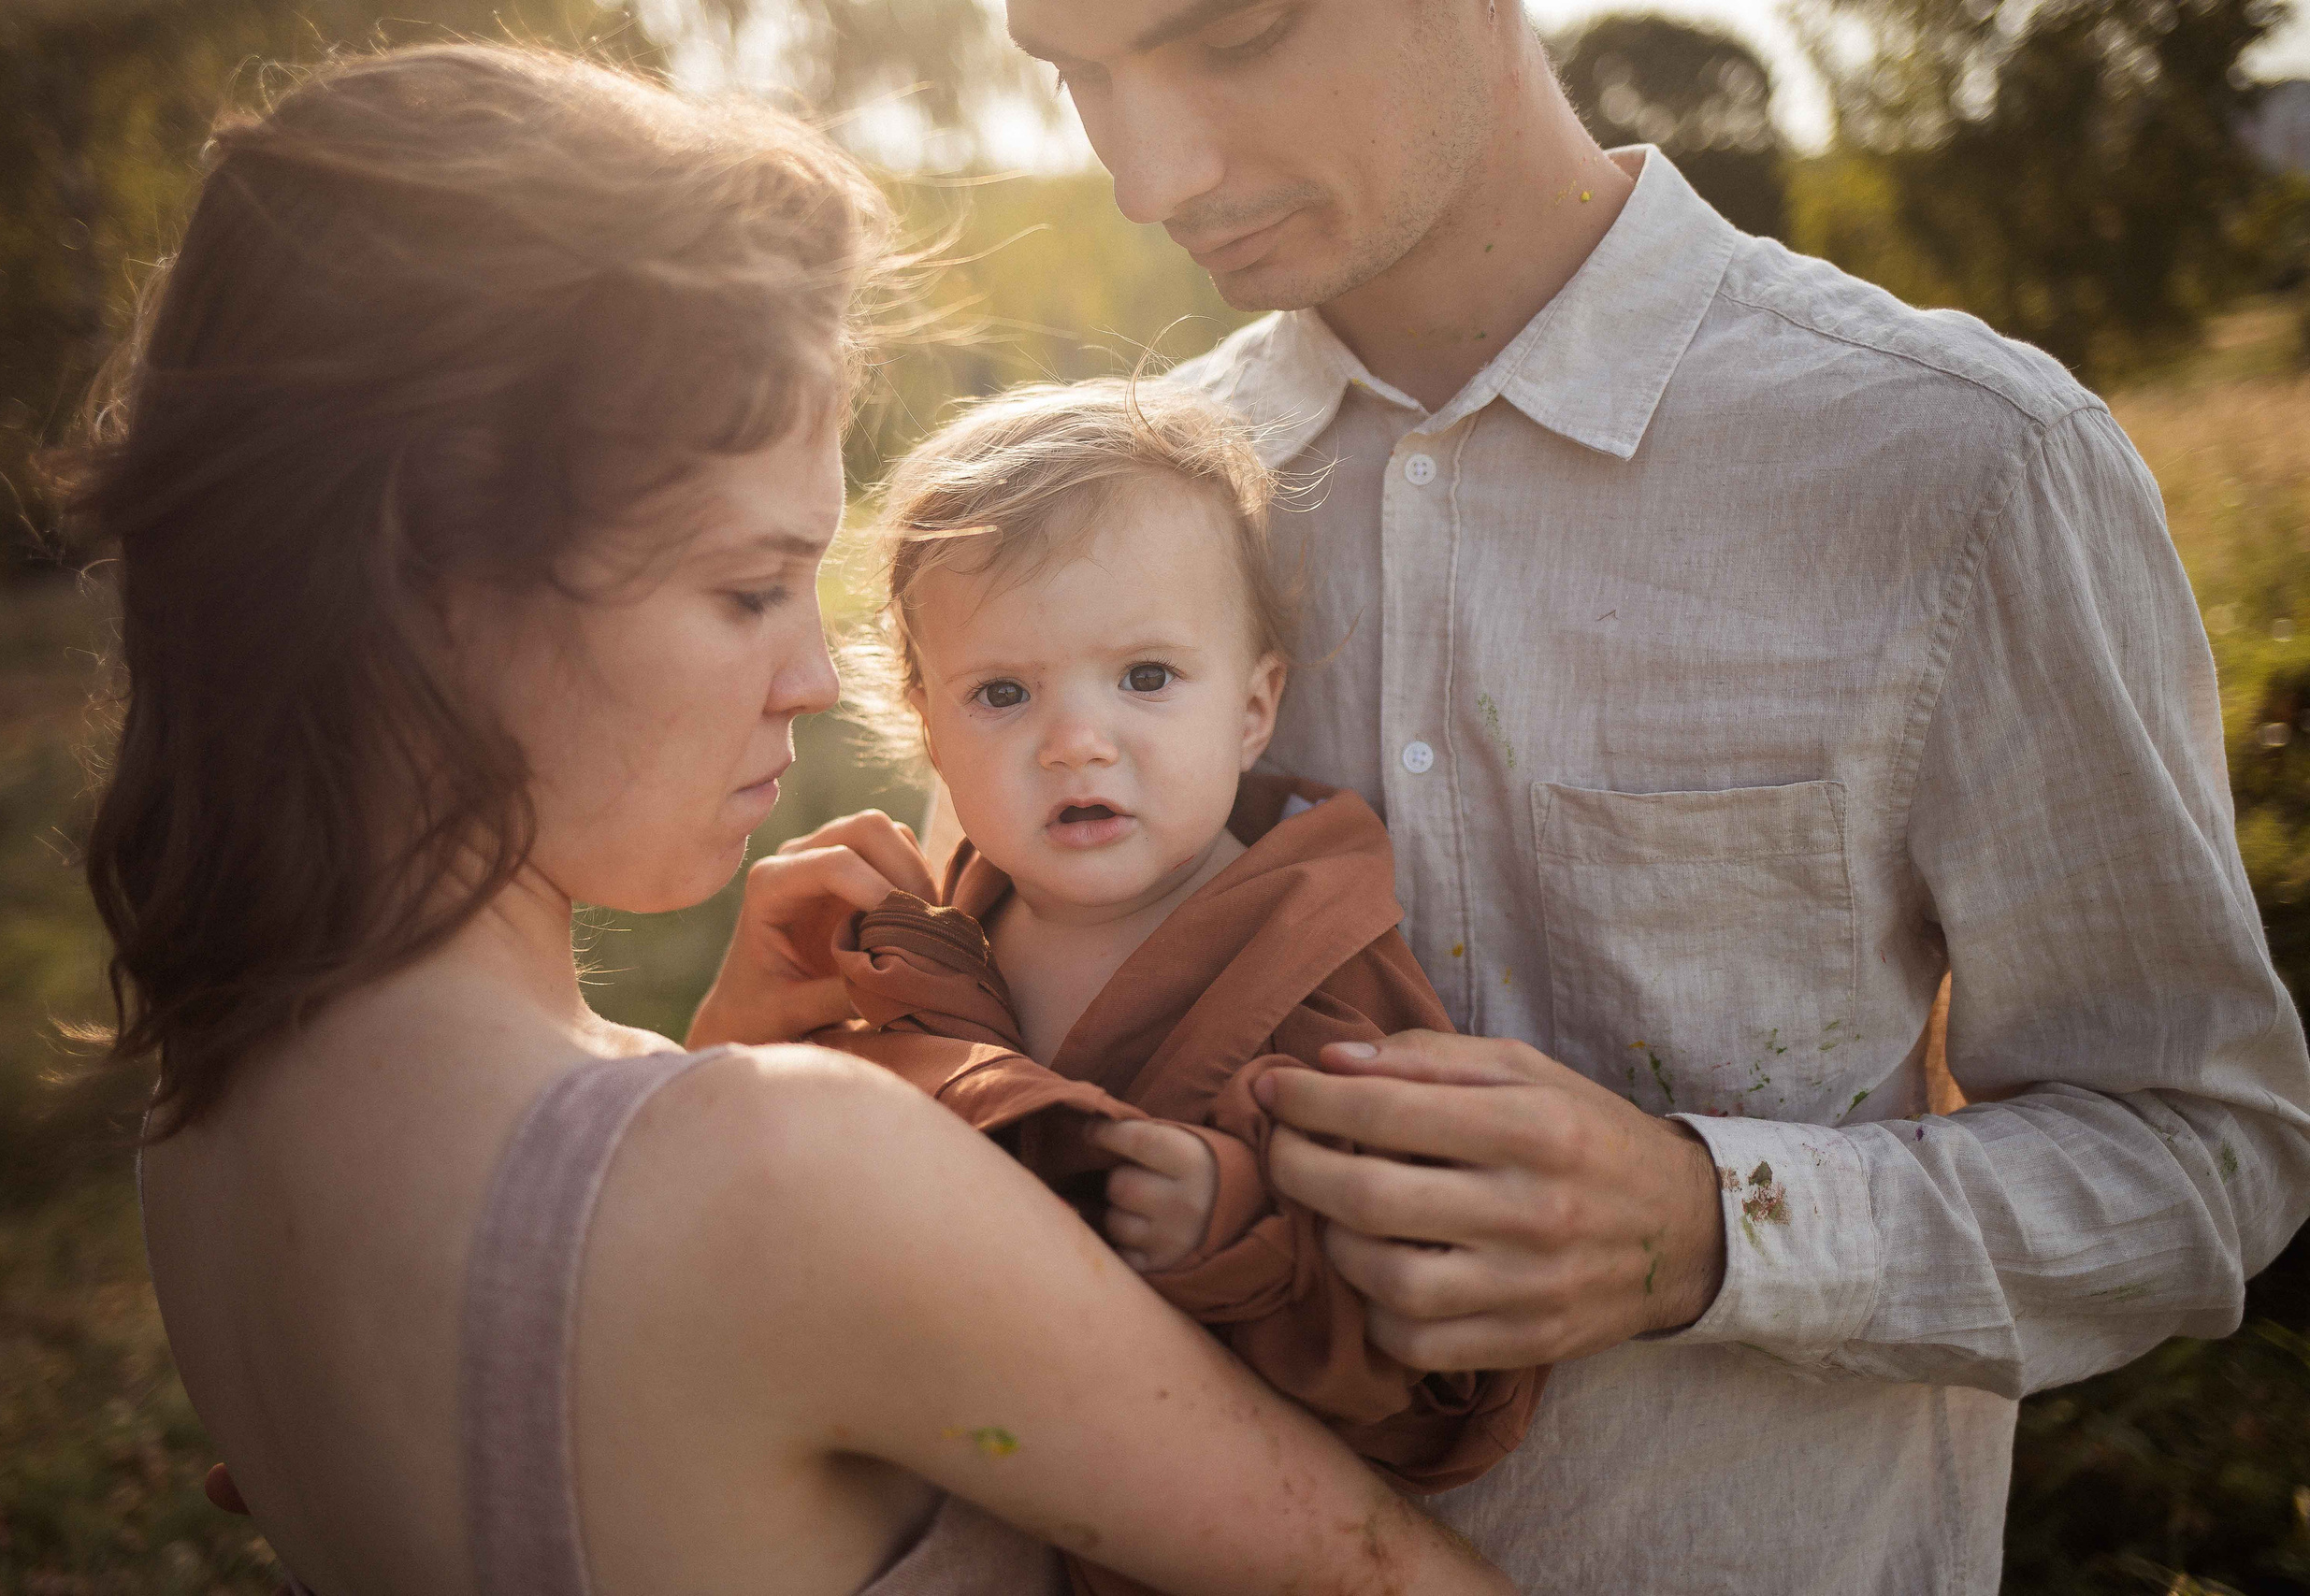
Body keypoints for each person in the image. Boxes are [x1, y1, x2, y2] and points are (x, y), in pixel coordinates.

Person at [67, 42, 1515, 1596]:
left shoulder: (201, 1134)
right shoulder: (778, 1171)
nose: (817, 681)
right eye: (749, 587)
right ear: (430, 576)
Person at [934, 0, 2310, 1587]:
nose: (1148, 175)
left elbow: (2205, 1154)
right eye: (1076, 72)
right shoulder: (1113, 511)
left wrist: (1715, 1227)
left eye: (1234, 37)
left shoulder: (1963, 462)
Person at [814, 379, 1547, 1589]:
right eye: (1005, 693)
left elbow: (1440, 1363)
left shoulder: (1315, 967)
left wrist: (1245, 1227)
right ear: (927, 729)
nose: (1078, 741)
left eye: (1146, 678)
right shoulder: (926, 953)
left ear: (1254, 708)